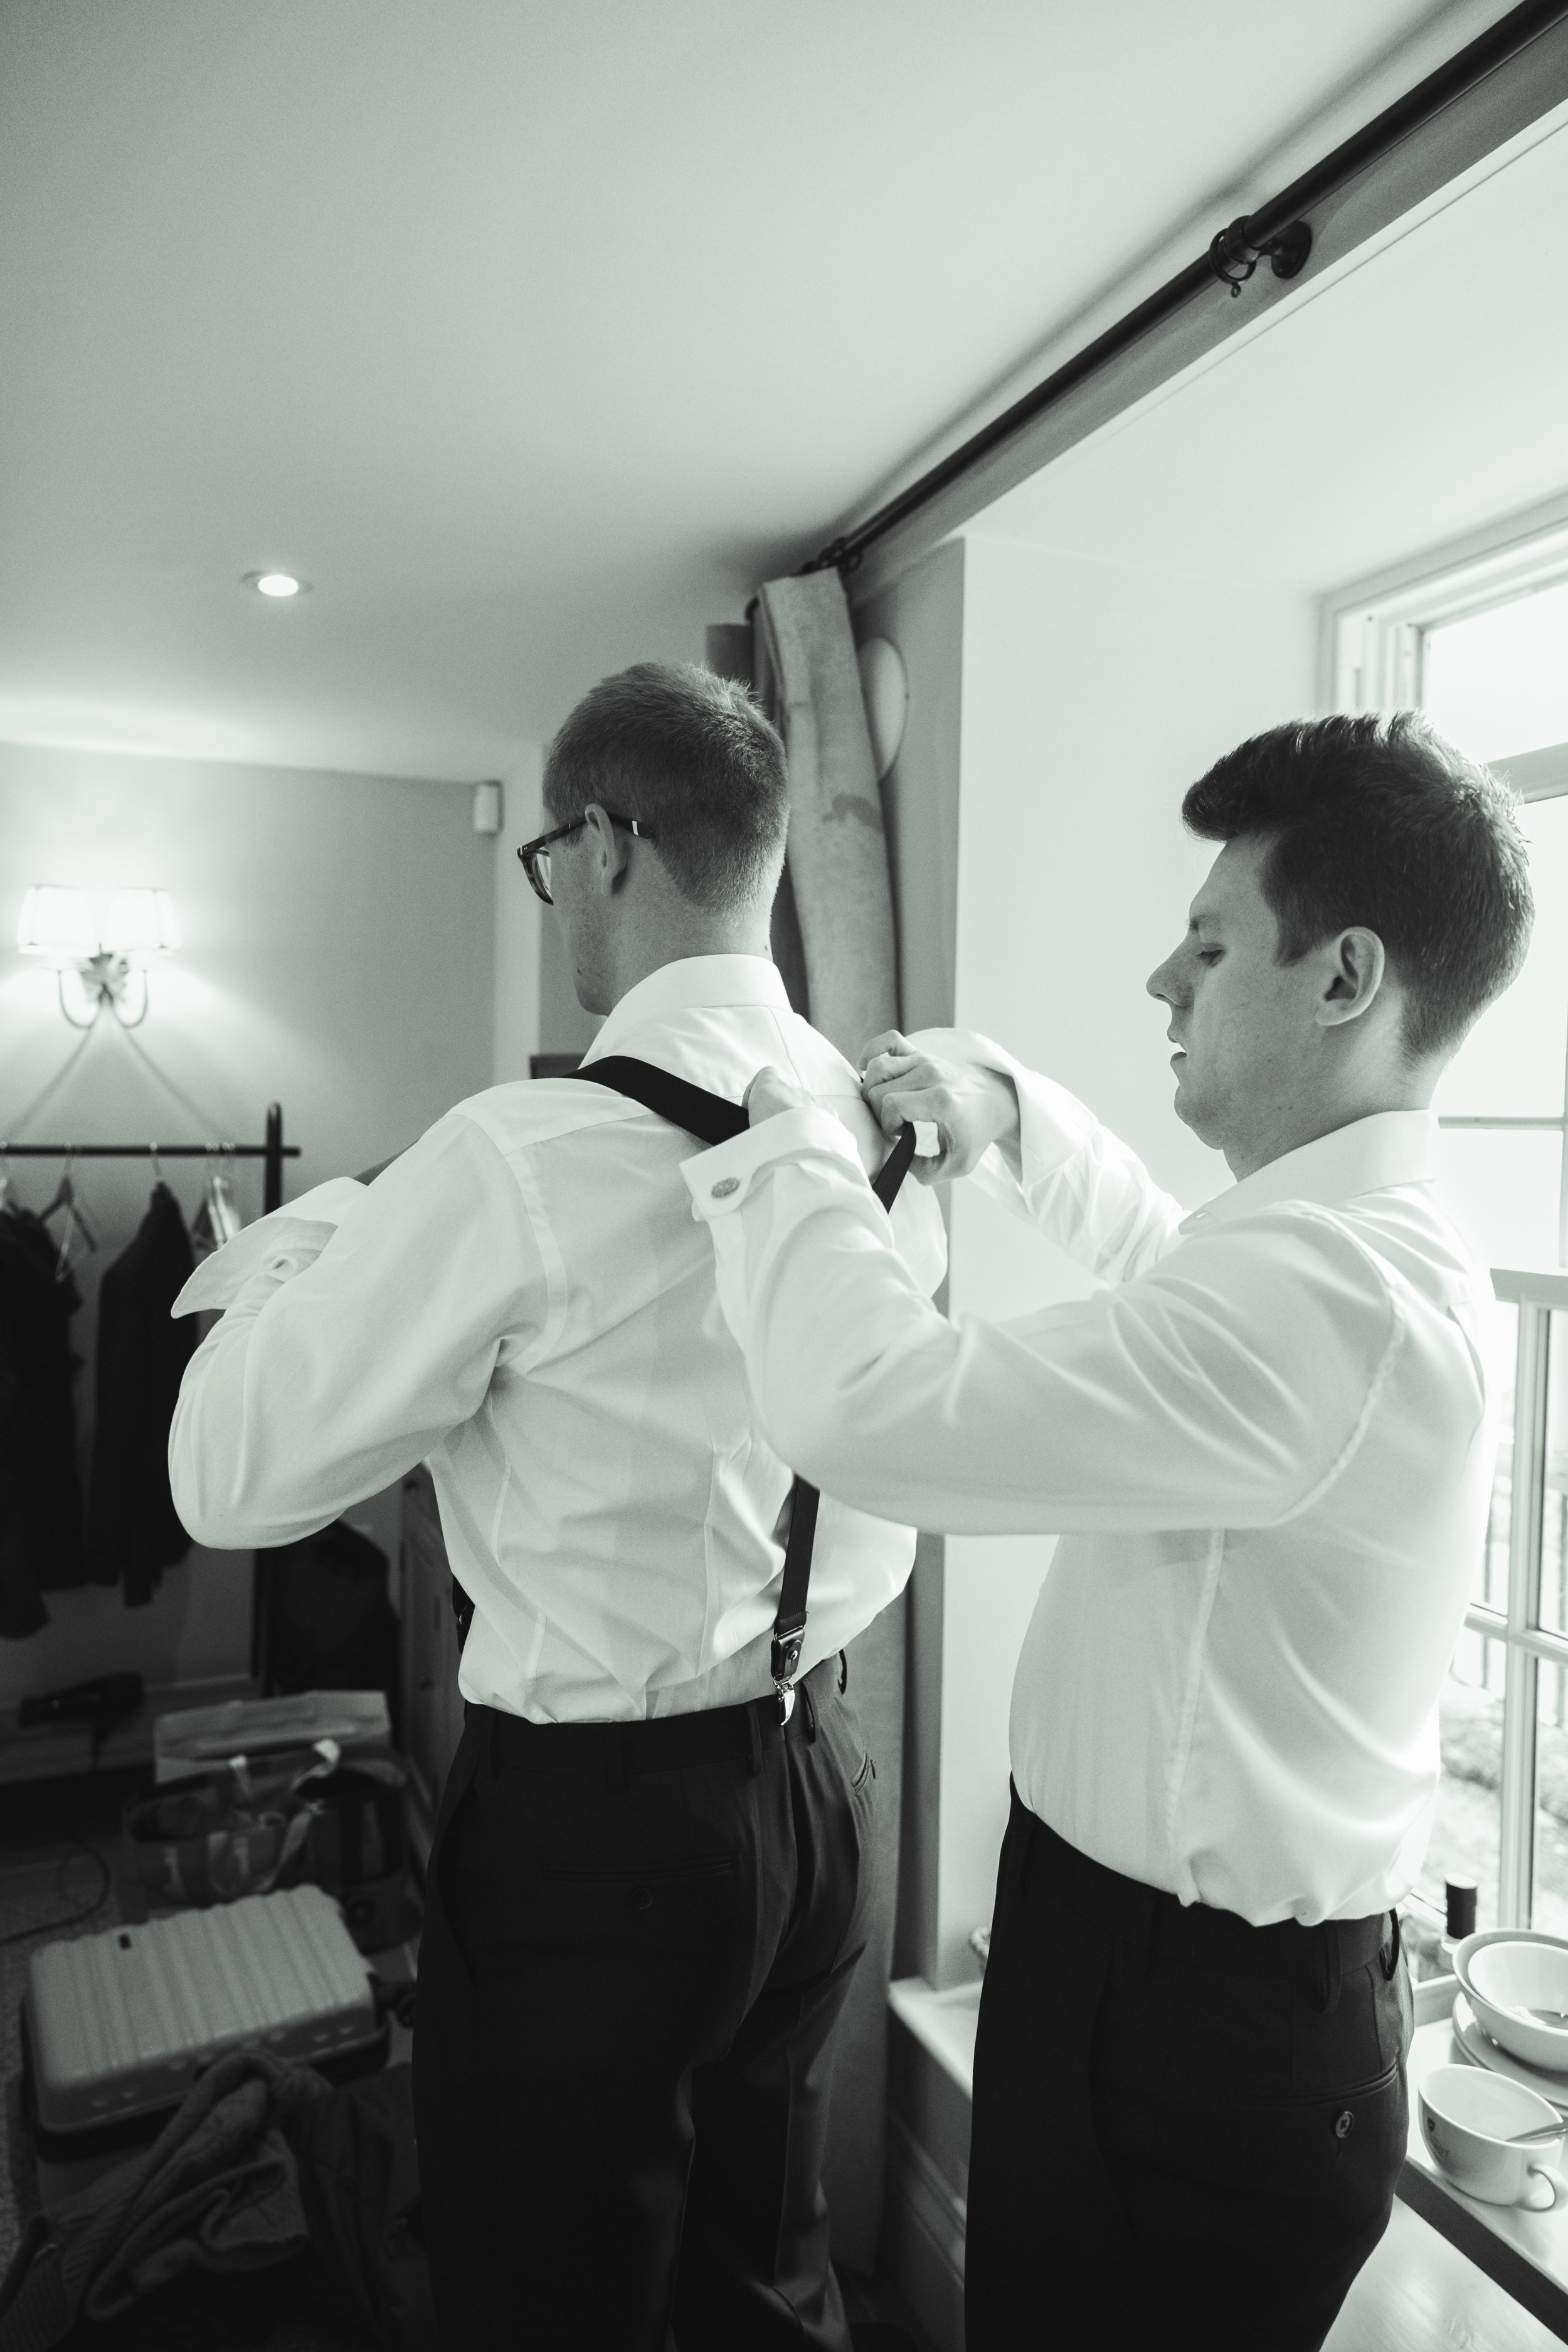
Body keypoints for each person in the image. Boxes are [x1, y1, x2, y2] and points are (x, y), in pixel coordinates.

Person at [675, 713, 1534, 2351]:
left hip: (1195, 2037)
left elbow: (870, 1408)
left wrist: (778, 1127)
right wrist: (1006, 1109)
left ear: (1344, 978)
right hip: (1158, 1989)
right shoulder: (1339, 1250)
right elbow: (1164, 1281)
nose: (1163, 977)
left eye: (1209, 943)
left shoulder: (1329, 1300)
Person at [169, 661, 945, 2352]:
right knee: (765, 2271)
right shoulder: (881, 1136)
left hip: (595, 1843)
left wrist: (292, 1254)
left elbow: (224, 1479)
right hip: (820, 1797)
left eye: (547, 861)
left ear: (601, 844)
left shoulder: (511, 1158)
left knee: (548, 2298)